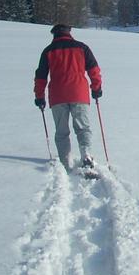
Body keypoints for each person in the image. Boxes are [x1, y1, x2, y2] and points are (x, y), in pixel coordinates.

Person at [34, 23, 103, 171]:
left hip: (58, 96)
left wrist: (39, 96)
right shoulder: (82, 47)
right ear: (69, 33)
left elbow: (40, 77)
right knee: (83, 128)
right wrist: (96, 88)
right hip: (79, 93)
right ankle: (86, 155)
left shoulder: (48, 51)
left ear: (54, 34)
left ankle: (65, 163)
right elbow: (94, 69)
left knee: (61, 131)